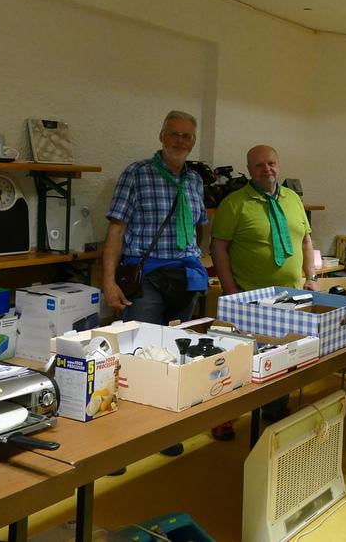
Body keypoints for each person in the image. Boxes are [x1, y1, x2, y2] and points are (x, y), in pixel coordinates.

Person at [102, 109, 209, 459]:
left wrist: (197, 261)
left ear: (193, 142)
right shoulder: (137, 173)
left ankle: (162, 433)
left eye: (187, 136)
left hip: (186, 278)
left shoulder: (195, 180)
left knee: (174, 358)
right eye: (174, 134)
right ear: (162, 137)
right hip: (146, 277)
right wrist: (109, 282)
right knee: (136, 357)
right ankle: (119, 443)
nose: (180, 140)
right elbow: (116, 230)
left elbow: (199, 227)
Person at [210, 144, 319, 439]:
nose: (266, 169)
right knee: (237, 362)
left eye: (271, 163)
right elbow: (218, 248)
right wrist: (231, 292)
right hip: (249, 300)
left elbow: (306, 240)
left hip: (290, 297)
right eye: (259, 165)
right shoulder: (234, 203)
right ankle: (224, 418)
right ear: (249, 170)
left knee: (283, 357)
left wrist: (311, 277)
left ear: (278, 165)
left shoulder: (293, 199)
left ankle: (275, 409)